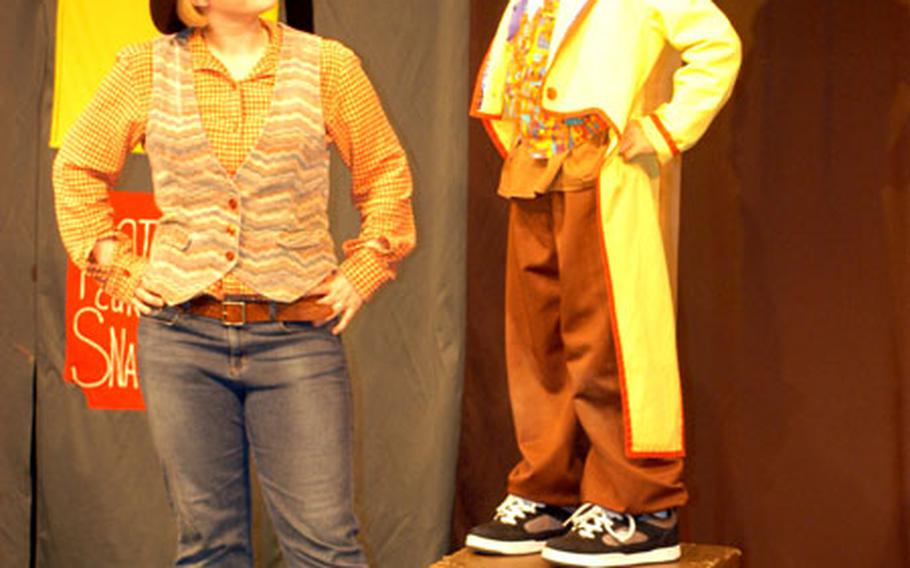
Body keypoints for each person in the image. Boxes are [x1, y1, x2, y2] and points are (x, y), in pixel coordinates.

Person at [53, 0, 415, 565]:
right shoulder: (143, 68)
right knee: (208, 546)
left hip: (295, 336)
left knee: (326, 544)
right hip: (181, 339)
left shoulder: (329, 64)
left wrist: (365, 266)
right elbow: (77, 167)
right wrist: (117, 265)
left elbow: (385, 172)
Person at [465, 0, 740, 566]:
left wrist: (665, 128)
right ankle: (550, 490)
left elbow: (717, 45)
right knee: (538, 343)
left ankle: (640, 505)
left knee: (609, 340)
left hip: (600, 167)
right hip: (536, 165)